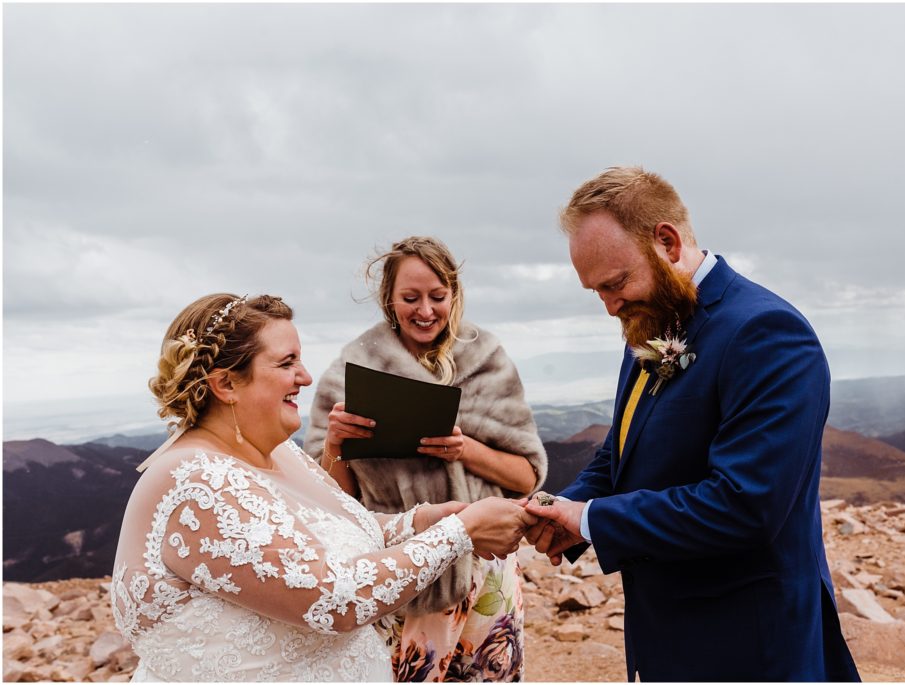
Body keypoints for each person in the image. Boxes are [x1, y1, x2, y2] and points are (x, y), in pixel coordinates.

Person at [523, 167, 861, 681]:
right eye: (597, 291)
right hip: (666, 638)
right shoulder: (651, 319)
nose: (610, 305)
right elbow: (625, 446)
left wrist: (592, 519)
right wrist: (561, 510)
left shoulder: (767, 332)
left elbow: (745, 506)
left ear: (667, 241)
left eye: (615, 284)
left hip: (748, 646)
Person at [111, 293, 535, 682]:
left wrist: (422, 520)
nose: (306, 376)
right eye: (286, 362)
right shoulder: (198, 482)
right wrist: (457, 535)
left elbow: (332, 535)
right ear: (226, 385)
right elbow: (332, 599)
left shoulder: (280, 454)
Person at [305, 236, 547, 682]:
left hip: (485, 573)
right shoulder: (351, 372)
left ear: (454, 294)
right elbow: (334, 506)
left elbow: (527, 475)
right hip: (404, 576)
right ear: (388, 299)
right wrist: (335, 443)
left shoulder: (487, 360)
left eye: (437, 297)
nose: (425, 311)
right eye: (410, 298)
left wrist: (466, 450)